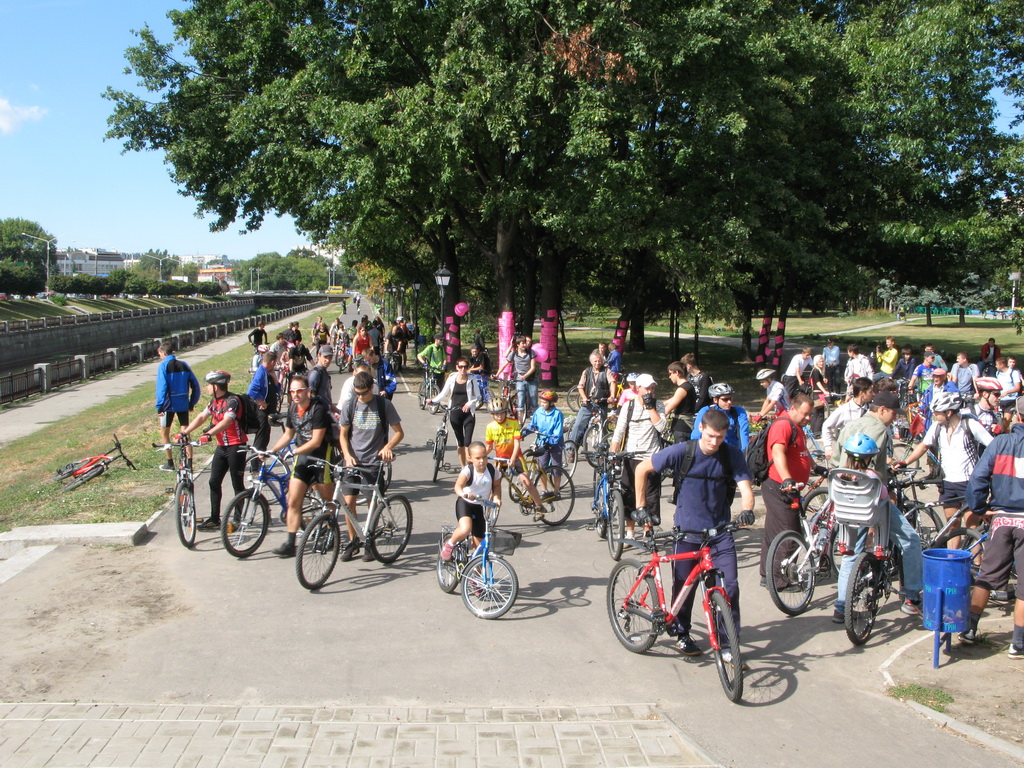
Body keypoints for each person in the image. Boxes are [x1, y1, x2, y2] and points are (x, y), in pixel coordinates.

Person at [633, 408, 755, 658]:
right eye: (710, 436)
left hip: (719, 533)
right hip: (687, 532)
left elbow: (745, 487)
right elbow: (642, 469)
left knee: (729, 587)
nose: (714, 442)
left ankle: (728, 644)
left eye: (720, 437)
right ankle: (681, 633)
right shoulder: (683, 451)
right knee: (683, 588)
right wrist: (641, 507)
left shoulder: (730, 454)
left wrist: (747, 510)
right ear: (701, 428)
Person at [833, 391, 924, 619]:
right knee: (910, 540)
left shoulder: (850, 425)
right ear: (882, 410)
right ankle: (912, 596)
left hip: (845, 500)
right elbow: (869, 469)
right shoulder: (879, 430)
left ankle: (841, 606)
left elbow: (835, 460)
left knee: (851, 553)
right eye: (894, 414)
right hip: (869, 500)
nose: (895, 419)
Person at [960, 397, 1024, 658]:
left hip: (1002, 518)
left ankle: (969, 629)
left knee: (987, 575)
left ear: (1017, 417)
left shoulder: (1000, 443)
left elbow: (977, 478)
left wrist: (979, 508)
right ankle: (1018, 643)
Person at [896, 391, 992, 536]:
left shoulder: (970, 424)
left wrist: (988, 469)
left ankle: (976, 552)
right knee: (951, 527)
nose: (934, 415)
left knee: (972, 526)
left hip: (969, 482)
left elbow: (993, 445)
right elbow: (924, 446)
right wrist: (906, 461)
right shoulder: (937, 427)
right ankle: (952, 552)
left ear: (949, 412)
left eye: (937, 412)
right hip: (948, 483)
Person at [337, 371, 405, 561]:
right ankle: (353, 541)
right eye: (357, 393)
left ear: (372, 388)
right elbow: (343, 435)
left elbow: (399, 433)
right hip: (353, 461)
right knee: (348, 503)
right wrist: (347, 455)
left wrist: (388, 447)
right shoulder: (350, 405)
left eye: (364, 393)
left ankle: (369, 541)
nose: (360, 397)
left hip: (373, 462)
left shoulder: (383, 405)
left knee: (372, 504)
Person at [268, 373, 334, 558]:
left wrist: (294, 451)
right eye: (292, 391)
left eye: (299, 391)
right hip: (303, 458)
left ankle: (331, 532)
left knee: (327, 500)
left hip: (321, 457)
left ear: (308, 391)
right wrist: (272, 450)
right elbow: (288, 434)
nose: (295, 395)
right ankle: (290, 543)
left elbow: (316, 441)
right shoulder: (292, 408)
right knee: (293, 501)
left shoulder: (318, 409)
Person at [176, 370, 248, 530]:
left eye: (209, 385)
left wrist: (209, 434)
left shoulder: (233, 400)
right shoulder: (214, 402)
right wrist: (185, 432)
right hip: (222, 447)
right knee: (213, 482)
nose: (207, 388)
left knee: (237, 484)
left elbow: (227, 421)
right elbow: (202, 417)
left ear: (216, 386)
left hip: (236, 446)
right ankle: (215, 519)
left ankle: (238, 519)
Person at [757, 393, 814, 586]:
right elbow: (778, 452)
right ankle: (779, 580)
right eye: (805, 414)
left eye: (810, 414)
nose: (808, 418)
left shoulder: (797, 426)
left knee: (775, 531)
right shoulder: (783, 425)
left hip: (788, 487)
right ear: (793, 408)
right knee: (789, 532)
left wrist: (814, 466)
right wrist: (787, 478)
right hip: (780, 487)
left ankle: (768, 575)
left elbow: (801, 451)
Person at [610, 373, 667, 538]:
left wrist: (650, 408)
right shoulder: (628, 406)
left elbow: (662, 428)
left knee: (651, 495)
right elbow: (619, 431)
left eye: (653, 388)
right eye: (647, 388)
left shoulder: (658, 405)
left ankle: (648, 531)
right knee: (629, 494)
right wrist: (613, 452)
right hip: (632, 455)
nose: (650, 391)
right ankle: (629, 531)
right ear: (639, 389)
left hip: (651, 456)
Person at [484, 397, 547, 520]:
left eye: (501, 413)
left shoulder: (513, 423)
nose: (499, 416)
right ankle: (487, 516)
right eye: (496, 414)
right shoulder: (490, 427)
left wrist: (513, 459)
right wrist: (481, 456)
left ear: (505, 412)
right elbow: (489, 447)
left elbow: (517, 443)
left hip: (516, 456)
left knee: (526, 482)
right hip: (500, 459)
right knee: (494, 486)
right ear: (492, 415)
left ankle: (539, 506)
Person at [440, 441, 501, 561]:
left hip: (481, 507)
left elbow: (497, 485)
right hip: (466, 504)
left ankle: (475, 569)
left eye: (484, 457)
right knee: (465, 529)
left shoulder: (492, 470)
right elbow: (458, 486)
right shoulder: (468, 471)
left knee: (479, 548)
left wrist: (496, 498)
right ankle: (450, 544)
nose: (482, 461)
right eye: (477, 458)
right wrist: (464, 494)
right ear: (470, 458)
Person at [429, 357, 483, 468]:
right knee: (460, 442)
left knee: (467, 442)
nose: (463, 369)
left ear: (468, 368)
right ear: (457, 367)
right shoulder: (452, 378)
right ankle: (463, 467)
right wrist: (433, 401)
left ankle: (469, 467)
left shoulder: (472, 379)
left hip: (468, 413)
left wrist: (469, 404)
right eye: (460, 367)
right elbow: (443, 394)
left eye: (465, 367)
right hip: (455, 412)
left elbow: (478, 396)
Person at [155, 342, 201, 470]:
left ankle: (170, 463)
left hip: (168, 404)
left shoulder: (163, 366)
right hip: (183, 403)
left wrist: (159, 405)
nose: (159, 356)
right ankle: (189, 463)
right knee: (185, 432)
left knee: (164, 432)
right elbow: (195, 385)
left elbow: (162, 387)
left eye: (159, 354)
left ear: (164, 352)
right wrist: (192, 402)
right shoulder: (184, 365)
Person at [569, 352, 616, 446]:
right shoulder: (587, 371)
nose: (597, 363)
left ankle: (603, 449)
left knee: (602, 426)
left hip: (601, 402)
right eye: (595, 361)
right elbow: (580, 387)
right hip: (589, 403)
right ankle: (571, 448)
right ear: (591, 362)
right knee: (578, 425)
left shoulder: (606, 371)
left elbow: (612, 383)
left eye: (599, 361)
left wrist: (612, 396)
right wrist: (584, 398)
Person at [821, 377, 873, 460]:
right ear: (862, 393)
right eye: (870, 391)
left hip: (866, 454)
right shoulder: (844, 409)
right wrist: (828, 448)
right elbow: (826, 425)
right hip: (847, 455)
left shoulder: (871, 410)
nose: (873, 394)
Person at [526, 389, 565, 497]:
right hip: (542, 443)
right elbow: (533, 425)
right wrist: (523, 433)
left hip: (555, 444)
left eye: (544, 402)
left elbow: (557, 433)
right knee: (541, 467)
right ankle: (544, 490)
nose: (542, 404)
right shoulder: (539, 411)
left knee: (556, 468)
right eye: (541, 402)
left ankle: (557, 491)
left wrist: (550, 442)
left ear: (551, 403)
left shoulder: (557, 414)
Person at [246, 350, 280, 472]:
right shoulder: (261, 373)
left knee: (265, 437)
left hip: (269, 411)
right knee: (261, 438)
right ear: (272, 362)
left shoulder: (267, 373)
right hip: (262, 412)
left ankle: (260, 464)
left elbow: (278, 389)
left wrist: (274, 378)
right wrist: (261, 402)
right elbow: (251, 391)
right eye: (275, 363)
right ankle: (255, 467)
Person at [690, 382, 750, 451]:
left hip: (732, 451)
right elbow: (696, 434)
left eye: (730, 398)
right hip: (711, 451)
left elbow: (743, 434)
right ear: (715, 400)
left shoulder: (738, 411)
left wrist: (744, 453)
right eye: (725, 399)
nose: (729, 402)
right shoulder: (706, 411)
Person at [502, 335, 538, 422]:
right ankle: (519, 423)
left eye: (527, 342)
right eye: (524, 342)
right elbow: (505, 358)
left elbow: (533, 367)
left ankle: (536, 422)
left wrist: (525, 376)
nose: (526, 344)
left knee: (533, 400)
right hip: (519, 379)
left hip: (531, 379)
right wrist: (496, 374)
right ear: (518, 344)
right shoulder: (514, 353)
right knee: (520, 400)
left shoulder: (531, 352)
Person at [664, 361, 696, 443]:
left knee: (681, 450)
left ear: (677, 373)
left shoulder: (683, 389)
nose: (669, 377)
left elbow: (667, 409)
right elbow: (669, 401)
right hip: (684, 427)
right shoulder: (688, 387)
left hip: (682, 428)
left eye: (670, 373)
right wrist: (657, 404)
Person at [807, 354, 831, 438]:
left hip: (817, 394)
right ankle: (816, 432)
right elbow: (817, 382)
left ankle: (813, 432)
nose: (821, 363)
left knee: (816, 414)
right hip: (818, 394)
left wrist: (824, 380)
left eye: (822, 361)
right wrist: (824, 391)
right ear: (816, 362)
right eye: (820, 361)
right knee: (819, 414)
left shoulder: (818, 371)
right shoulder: (816, 370)